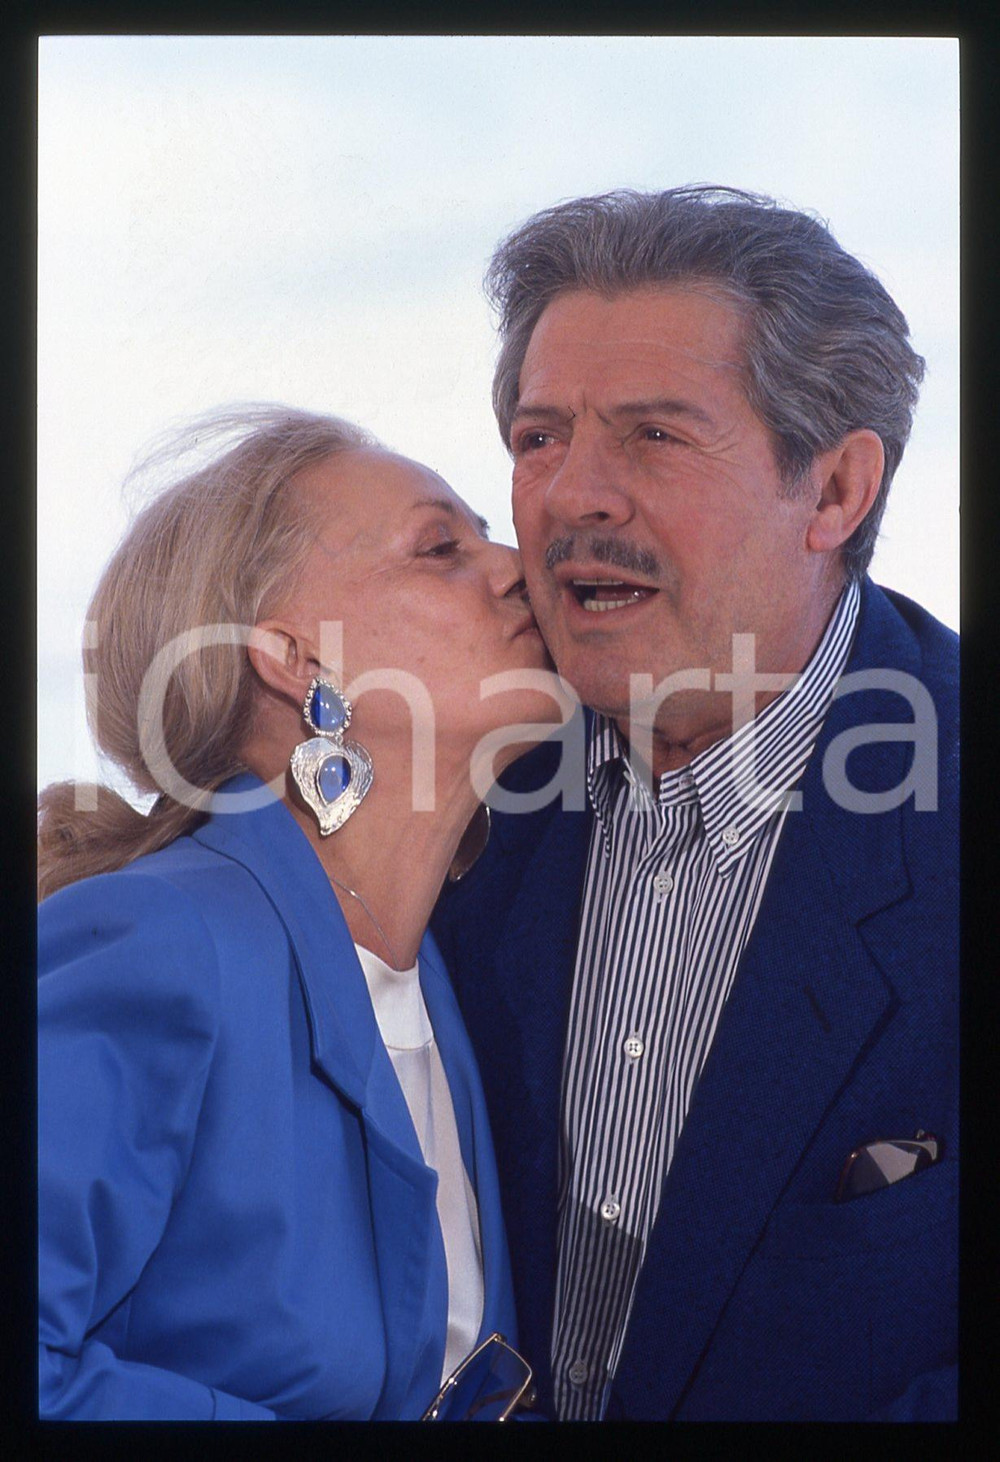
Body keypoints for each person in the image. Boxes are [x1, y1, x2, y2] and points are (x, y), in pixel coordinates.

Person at [432, 186, 958, 1422]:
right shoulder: (452, 785)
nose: (573, 495)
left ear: (834, 491)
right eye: (539, 437)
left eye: (655, 436)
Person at [37, 406, 566, 1420]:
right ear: (291, 655)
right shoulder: (157, 945)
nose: (513, 565)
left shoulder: (450, 986)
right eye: (440, 547)